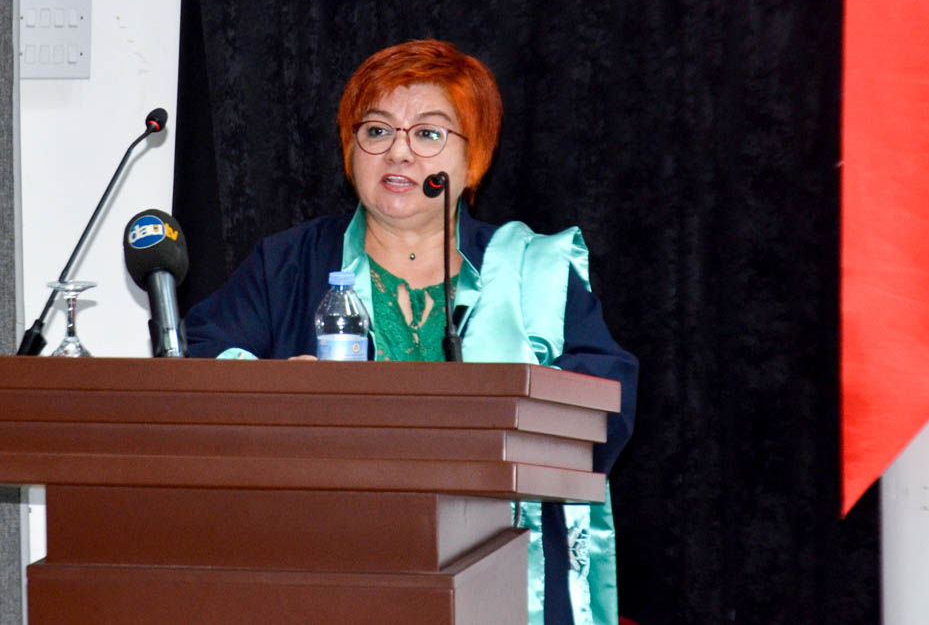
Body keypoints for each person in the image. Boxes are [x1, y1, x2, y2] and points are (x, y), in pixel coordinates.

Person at [184, 39, 637, 625]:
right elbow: (201, 362)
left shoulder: (533, 270)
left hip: (504, 564)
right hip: (331, 565)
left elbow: (604, 398)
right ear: (351, 148)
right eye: (376, 131)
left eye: (428, 134)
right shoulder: (288, 263)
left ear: (474, 159)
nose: (398, 152)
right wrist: (275, 389)